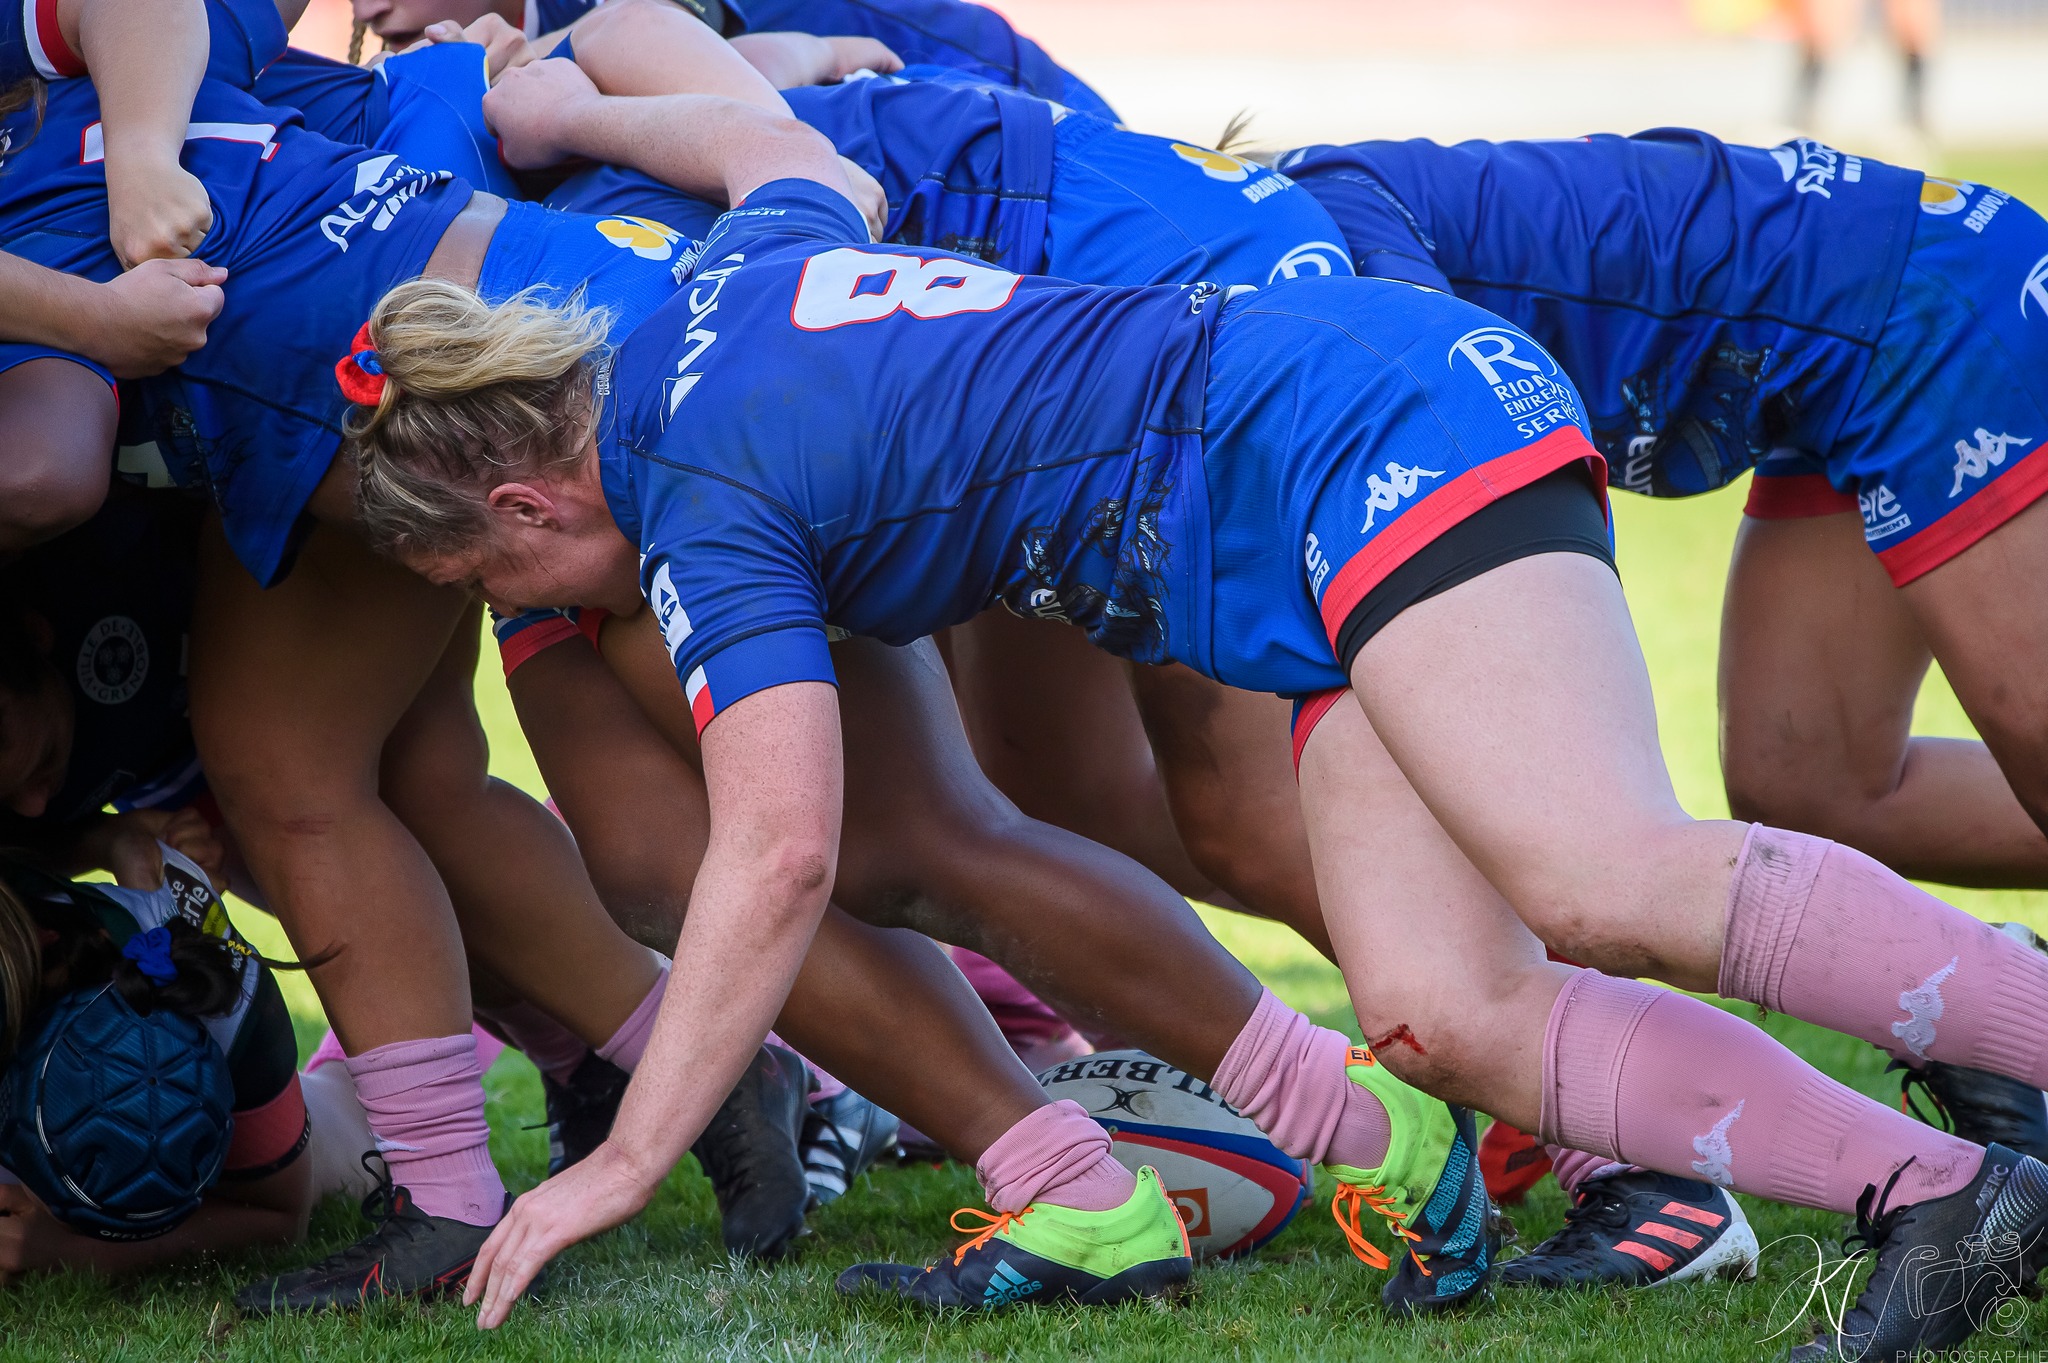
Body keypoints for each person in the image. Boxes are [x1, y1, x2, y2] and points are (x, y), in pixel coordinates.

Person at [349, 73, 2048, 1360]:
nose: (506, 615)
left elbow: (779, 849)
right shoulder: (715, 297)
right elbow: (792, 154)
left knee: (1598, 869)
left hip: (1351, 424)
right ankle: (1947, 1198)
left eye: (473, 586)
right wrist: (580, 104)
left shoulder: (694, 496)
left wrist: (621, 1158)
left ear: (513, 504)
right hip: (1312, 478)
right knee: (1440, 1010)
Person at [0, 846, 314, 1277]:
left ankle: (339, 1074)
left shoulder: (206, 990)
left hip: (195, 1090)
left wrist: (76, 1254)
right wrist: (105, 833)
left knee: (343, 1147)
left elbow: (279, 1218)